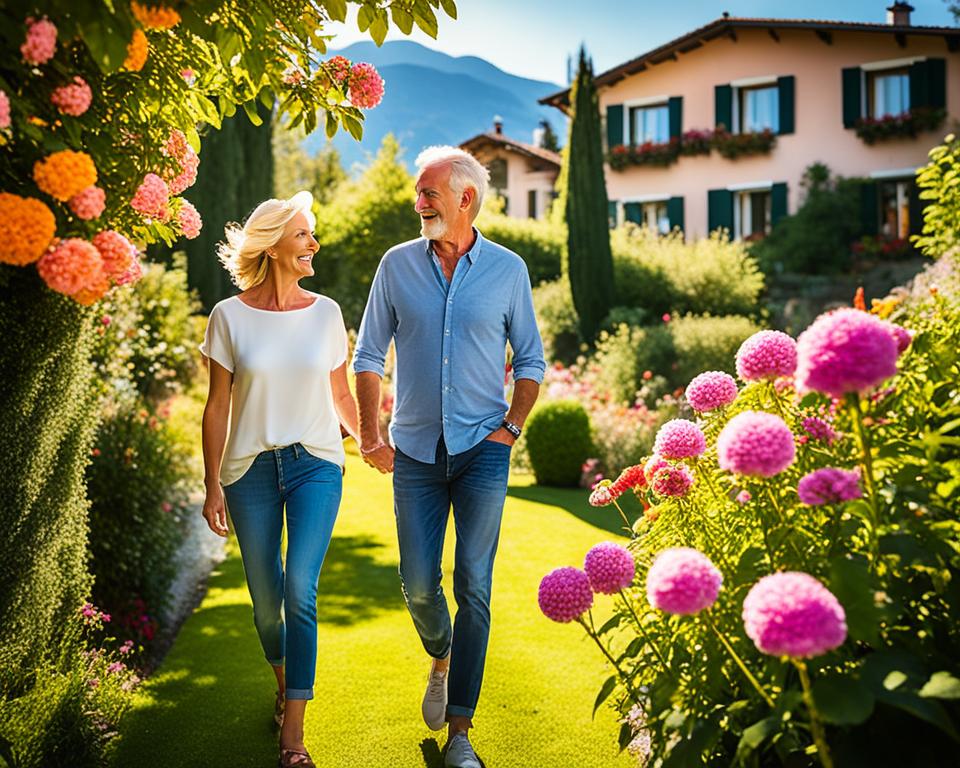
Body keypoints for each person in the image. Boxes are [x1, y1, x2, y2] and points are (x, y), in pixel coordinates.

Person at [353, 146, 545, 768]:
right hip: (412, 450)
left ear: (465, 198)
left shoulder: (509, 270)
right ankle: (441, 653)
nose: (419, 203)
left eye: (429, 193)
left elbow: (532, 361)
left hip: (484, 449)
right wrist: (371, 434)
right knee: (417, 584)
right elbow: (367, 356)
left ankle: (461, 733)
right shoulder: (396, 265)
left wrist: (511, 428)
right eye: (418, 192)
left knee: (476, 586)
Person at [199, 191, 363, 768]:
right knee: (266, 600)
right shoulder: (228, 316)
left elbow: (341, 392)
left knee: (300, 589)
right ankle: (283, 681)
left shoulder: (326, 313)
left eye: (312, 235)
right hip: (249, 472)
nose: (313, 244)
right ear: (272, 247)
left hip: (316, 462)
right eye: (303, 235)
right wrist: (212, 482)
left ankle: (293, 734)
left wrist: (371, 439)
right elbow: (217, 405)